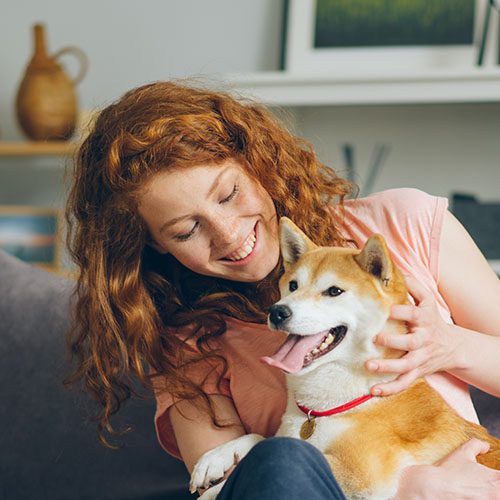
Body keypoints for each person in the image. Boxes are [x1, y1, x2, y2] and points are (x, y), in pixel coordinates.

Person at [64, 79, 500, 499]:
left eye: (229, 194)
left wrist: (450, 346)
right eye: (186, 230)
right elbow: (231, 488)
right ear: (154, 248)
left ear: (257, 164)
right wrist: (400, 492)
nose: (229, 234)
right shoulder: (190, 342)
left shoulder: (401, 224)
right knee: (280, 460)